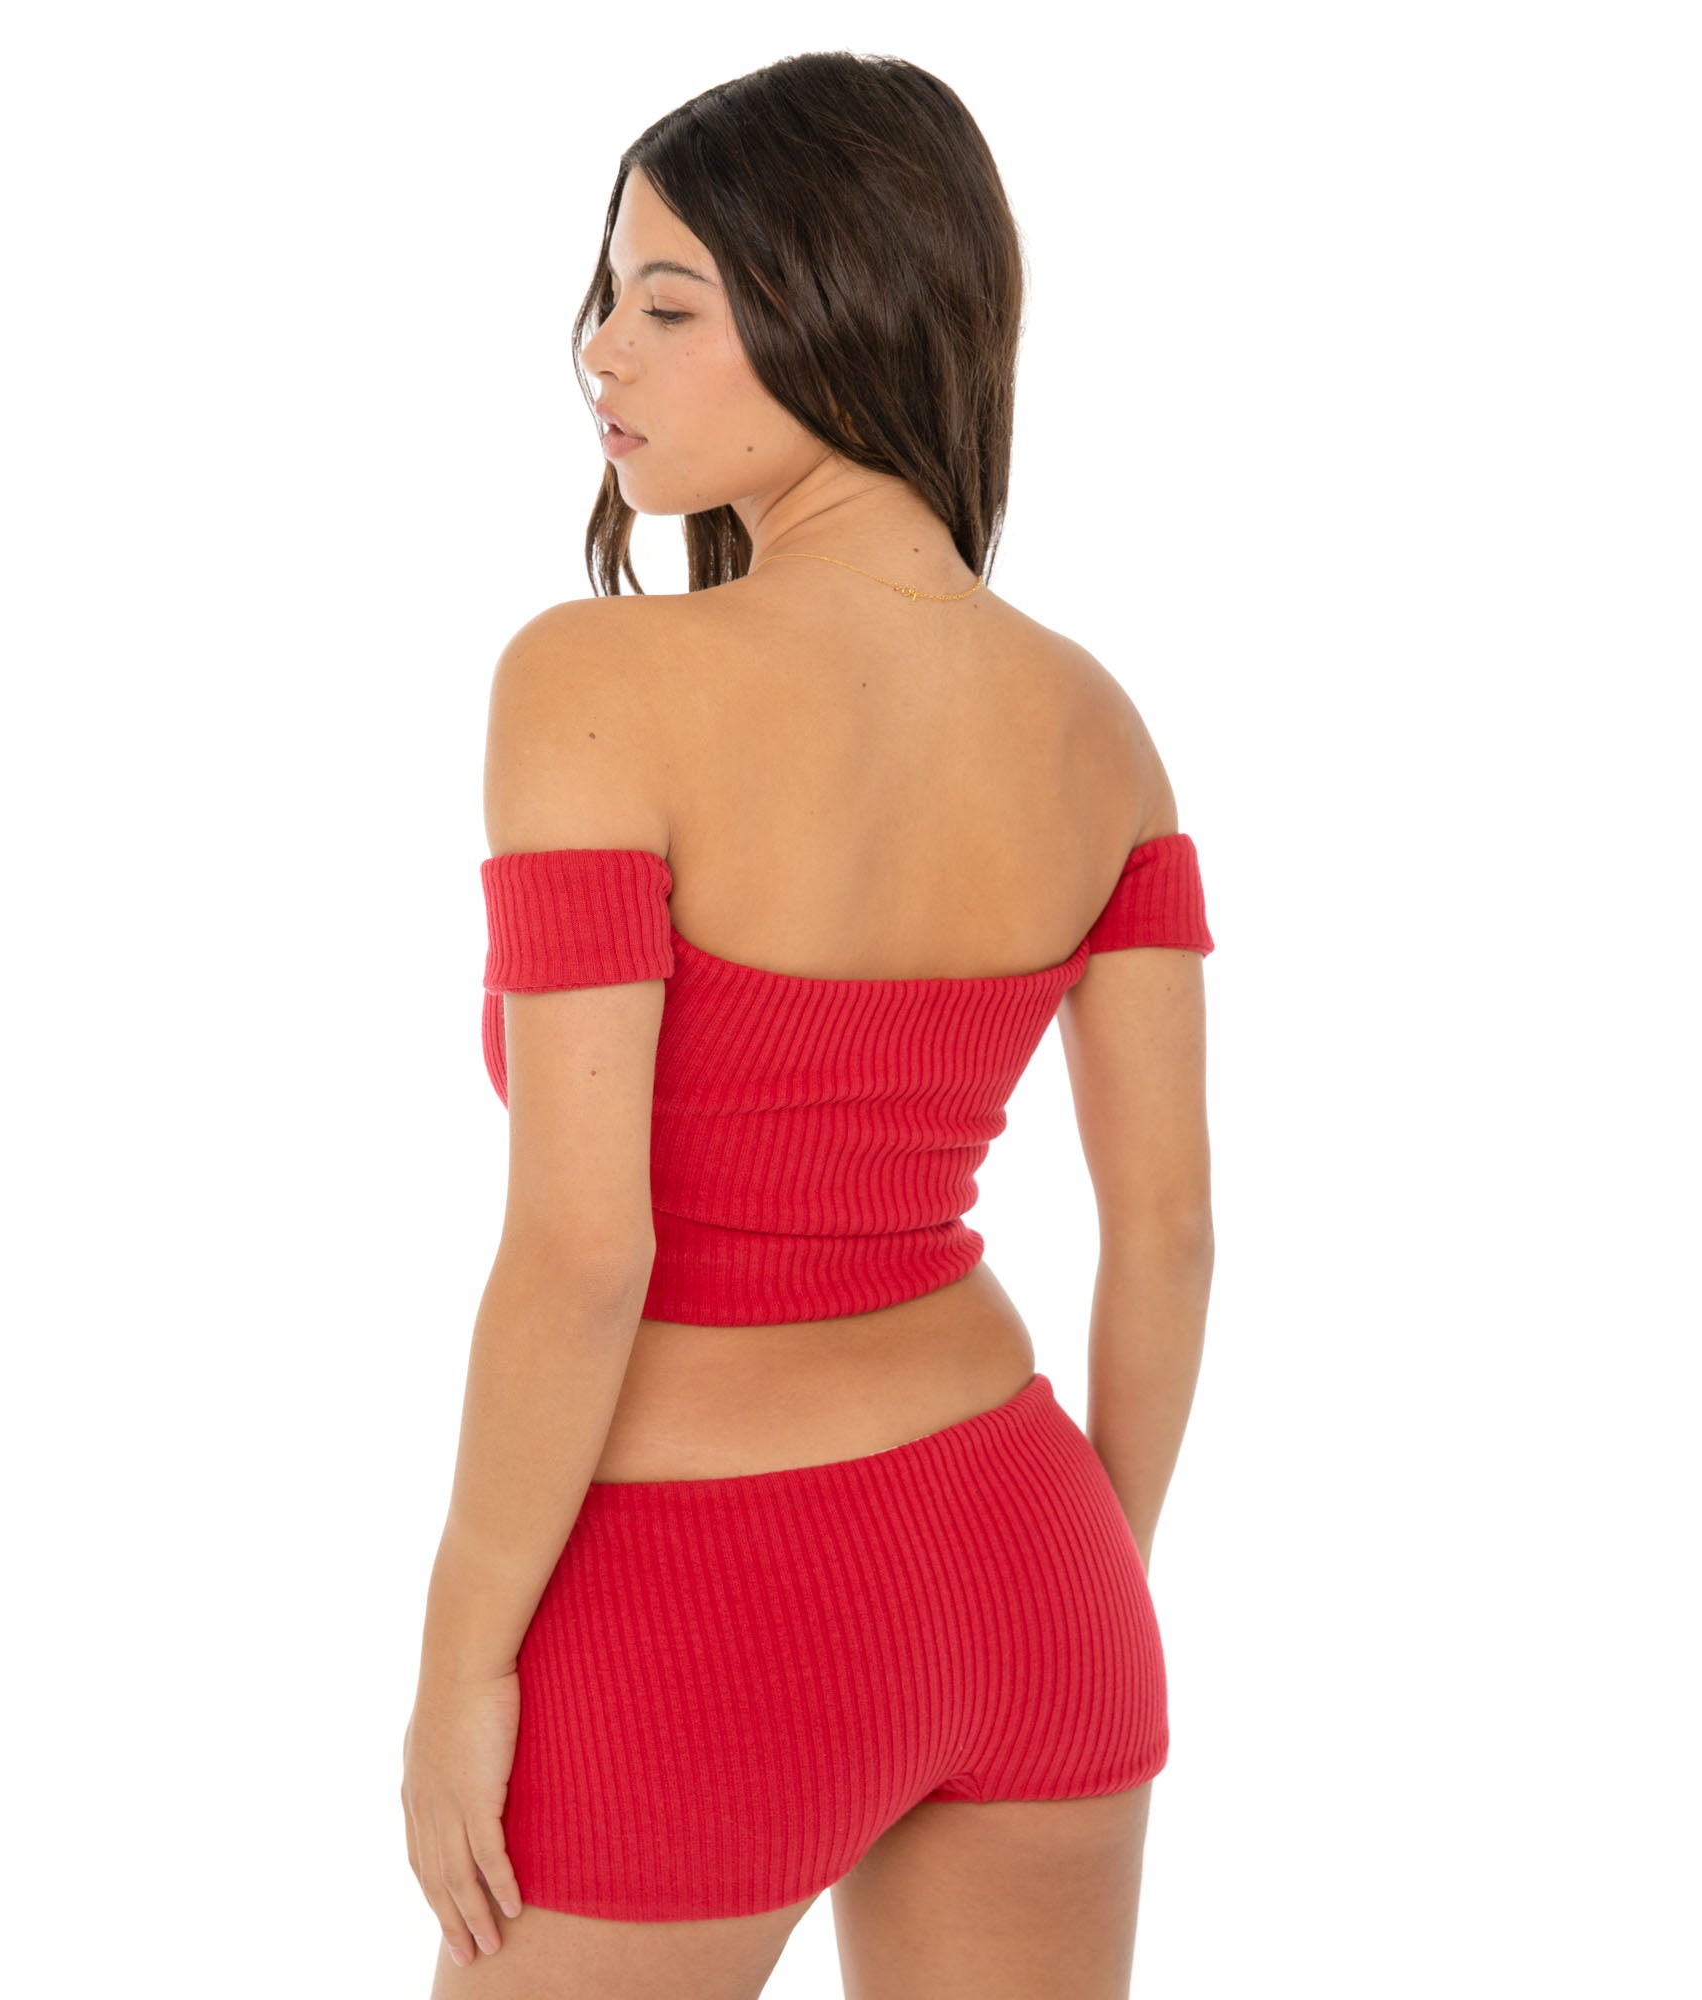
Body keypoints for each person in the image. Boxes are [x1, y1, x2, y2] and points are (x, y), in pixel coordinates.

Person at [402, 52, 1215, 2000]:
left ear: (844, 307)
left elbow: (587, 1251)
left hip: (703, 1596)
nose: (602, 350)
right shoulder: (1097, 727)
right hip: (1029, 1561)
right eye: (606, 295)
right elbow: (1174, 1236)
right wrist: (1066, 1579)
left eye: (669, 306)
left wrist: (461, 1658)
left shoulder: (592, 681)